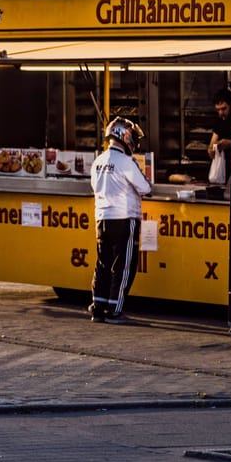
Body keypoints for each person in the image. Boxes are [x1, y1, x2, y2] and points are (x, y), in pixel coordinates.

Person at [90, 117, 151, 325]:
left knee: (103, 263)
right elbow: (145, 188)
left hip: (102, 218)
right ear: (124, 136)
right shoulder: (126, 162)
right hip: (125, 218)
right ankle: (115, 309)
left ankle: (98, 307)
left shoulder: (98, 161)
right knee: (124, 265)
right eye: (133, 136)